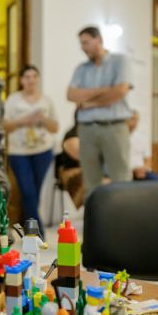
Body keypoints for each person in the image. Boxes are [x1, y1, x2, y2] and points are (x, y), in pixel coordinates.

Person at [66, 26, 132, 199]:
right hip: (87, 130)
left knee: (121, 180)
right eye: (81, 44)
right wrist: (104, 90)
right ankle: (95, 224)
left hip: (114, 128)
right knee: (90, 182)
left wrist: (88, 102)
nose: (83, 47)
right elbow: (71, 94)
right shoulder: (81, 69)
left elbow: (120, 91)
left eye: (86, 42)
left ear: (99, 40)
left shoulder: (120, 61)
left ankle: (123, 224)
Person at [3, 65, 59, 235]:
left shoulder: (46, 100)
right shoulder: (13, 100)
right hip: (19, 153)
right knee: (28, 191)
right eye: (27, 77)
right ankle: (37, 233)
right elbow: (4, 126)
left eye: (34, 76)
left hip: (43, 151)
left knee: (35, 193)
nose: (31, 80)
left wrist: (42, 118)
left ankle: (31, 232)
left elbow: (54, 127)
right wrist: (25, 120)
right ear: (21, 80)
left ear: (38, 79)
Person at [128, 110, 158, 181]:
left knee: (156, 179)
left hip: (142, 171)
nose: (134, 122)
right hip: (127, 171)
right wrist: (133, 171)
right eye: (132, 119)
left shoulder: (143, 138)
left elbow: (148, 160)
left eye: (136, 119)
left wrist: (143, 169)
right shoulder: (120, 138)